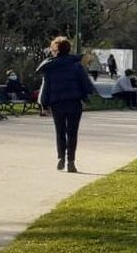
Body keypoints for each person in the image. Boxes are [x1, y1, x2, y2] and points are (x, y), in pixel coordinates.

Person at [36, 36, 98, 173]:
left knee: (60, 131)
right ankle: (71, 161)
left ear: (54, 49)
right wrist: (86, 98)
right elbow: (85, 84)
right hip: (74, 102)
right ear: (68, 49)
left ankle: (60, 158)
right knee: (72, 132)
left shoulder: (50, 67)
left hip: (57, 103)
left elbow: (45, 87)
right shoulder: (75, 65)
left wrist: (44, 105)